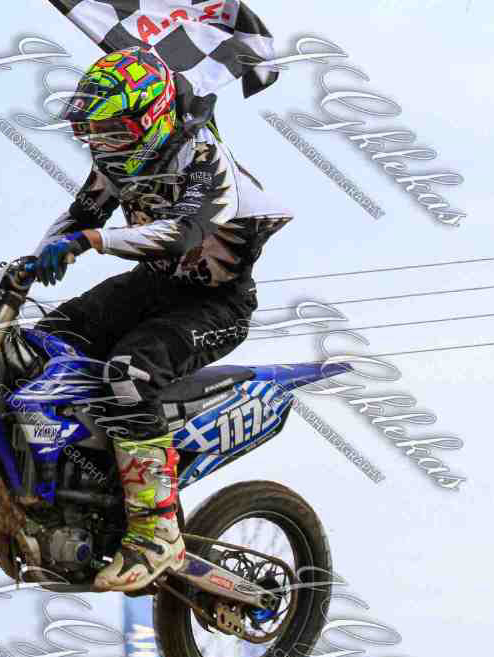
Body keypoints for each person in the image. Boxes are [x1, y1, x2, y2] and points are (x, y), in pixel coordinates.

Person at [29, 46, 292, 593]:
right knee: (44, 342)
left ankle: (157, 529)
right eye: (94, 132)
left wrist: (93, 241)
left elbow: (182, 233)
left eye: (113, 130)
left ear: (150, 118)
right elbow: (81, 214)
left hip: (215, 303)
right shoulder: (114, 160)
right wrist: (30, 263)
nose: (103, 144)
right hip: (153, 285)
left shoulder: (204, 159)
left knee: (129, 373)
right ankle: (70, 485)